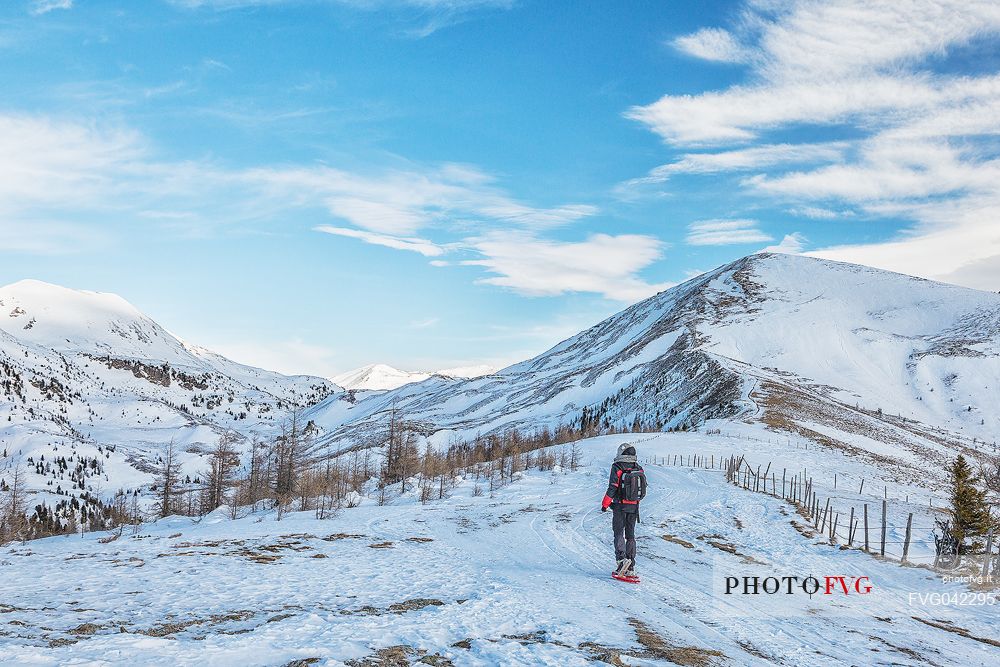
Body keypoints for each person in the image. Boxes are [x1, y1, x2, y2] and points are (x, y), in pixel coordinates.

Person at [601, 443, 646, 579]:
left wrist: (605, 504)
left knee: (619, 533)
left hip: (619, 506)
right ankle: (631, 565)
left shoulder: (617, 467)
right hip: (634, 507)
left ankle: (621, 562)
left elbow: (613, 487)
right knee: (630, 536)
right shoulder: (638, 468)